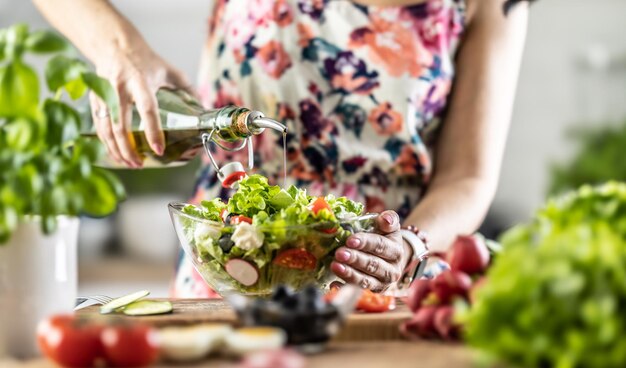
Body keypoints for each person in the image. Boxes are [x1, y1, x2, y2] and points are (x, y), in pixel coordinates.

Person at [34, 0, 530, 297]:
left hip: (372, 282)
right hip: (228, 279)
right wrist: (122, 51)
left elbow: (467, 177)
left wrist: (408, 246)